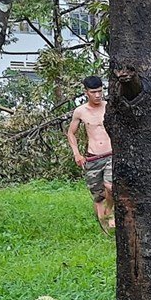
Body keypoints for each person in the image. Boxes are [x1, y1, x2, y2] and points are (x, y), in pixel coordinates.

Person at [66, 76, 114, 231]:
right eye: (94, 92)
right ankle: (103, 226)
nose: (98, 95)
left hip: (111, 154)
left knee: (110, 185)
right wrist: (76, 153)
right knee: (98, 195)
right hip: (93, 156)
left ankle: (111, 213)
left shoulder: (109, 107)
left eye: (100, 91)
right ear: (86, 92)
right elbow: (71, 133)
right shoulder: (80, 111)